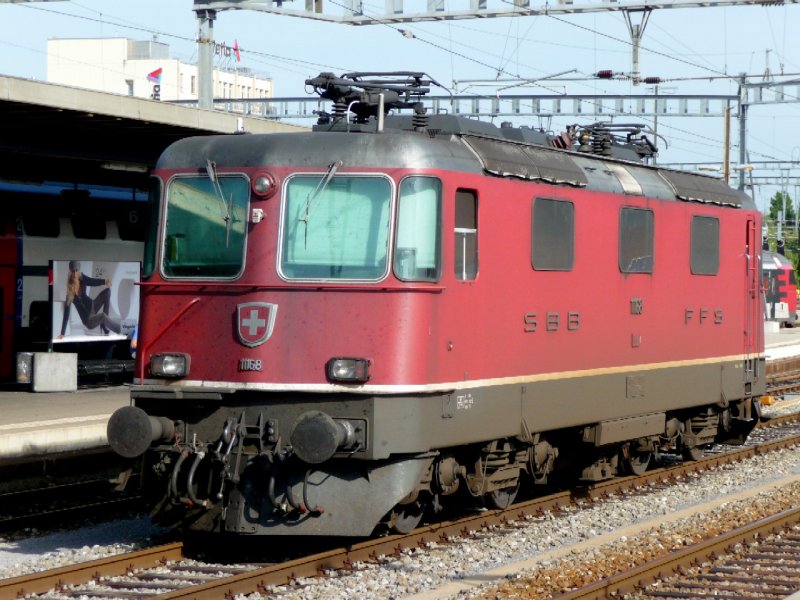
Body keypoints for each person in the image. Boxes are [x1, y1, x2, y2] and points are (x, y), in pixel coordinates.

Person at [58, 260, 121, 338]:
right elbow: (66, 315)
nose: (74, 274)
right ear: (70, 272)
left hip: (93, 306)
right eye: (72, 271)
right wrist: (62, 333)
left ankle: (104, 325)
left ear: (78, 271)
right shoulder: (70, 295)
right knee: (103, 316)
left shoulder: (82, 278)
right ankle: (121, 330)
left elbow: (91, 281)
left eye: (76, 271)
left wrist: (104, 281)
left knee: (107, 292)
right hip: (88, 320)